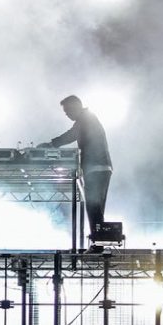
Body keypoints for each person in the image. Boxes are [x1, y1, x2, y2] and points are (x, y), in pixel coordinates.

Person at [42, 95, 112, 232]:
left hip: (95, 167)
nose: (67, 115)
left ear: (75, 107)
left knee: (93, 205)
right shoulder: (88, 118)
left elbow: (71, 135)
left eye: (67, 111)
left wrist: (51, 144)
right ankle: (99, 235)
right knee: (96, 206)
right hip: (102, 167)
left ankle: (98, 237)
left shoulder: (85, 118)